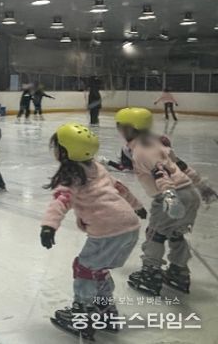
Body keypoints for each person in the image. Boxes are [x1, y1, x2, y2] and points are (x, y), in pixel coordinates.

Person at [40, 123, 144, 340]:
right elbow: (120, 188)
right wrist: (137, 206)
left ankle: (84, 313)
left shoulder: (70, 176)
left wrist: (49, 226)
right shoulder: (97, 167)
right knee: (99, 269)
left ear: (65, 152)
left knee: (85, 269)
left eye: (57, 147)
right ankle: (106, 311)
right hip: (130, 227)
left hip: (108, 231)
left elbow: (62, 200)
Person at [115, 108, 217, 296]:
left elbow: (160, 173)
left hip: (171, 196)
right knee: (176, 234)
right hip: (190, 193)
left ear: (130, 128)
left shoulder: (141, 151)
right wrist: (201, 185)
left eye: (120, 126)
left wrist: (170, 197)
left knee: (155, 234)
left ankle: (150, 274)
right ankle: (179, 272)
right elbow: (180, 164)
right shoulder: (156, 143)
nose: (119, 130)